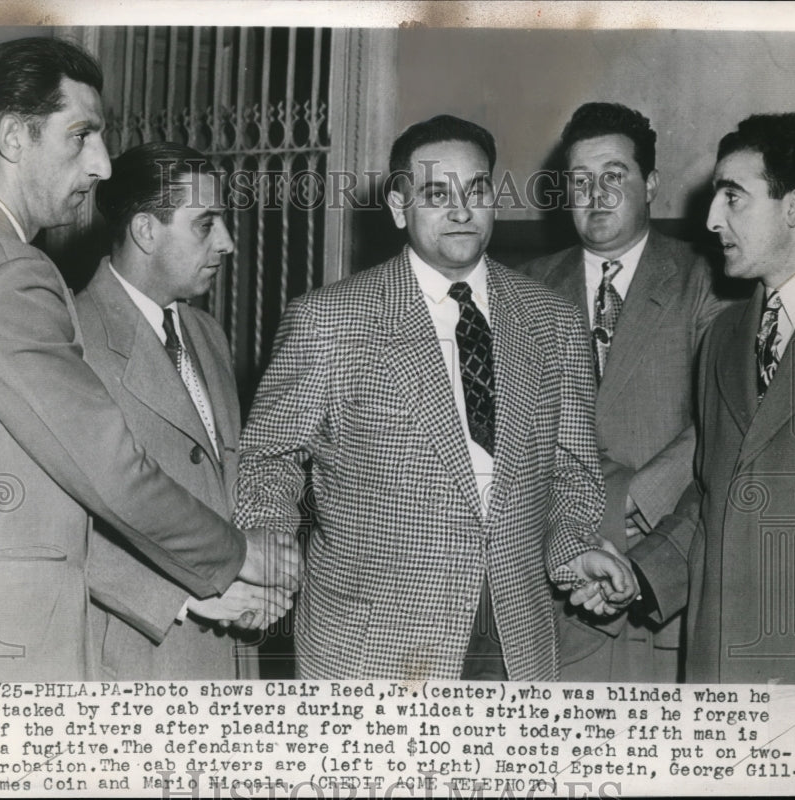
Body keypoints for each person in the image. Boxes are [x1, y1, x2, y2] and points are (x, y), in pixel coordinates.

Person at [0, 37, 298, 751]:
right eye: (82, 136)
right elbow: (110, 468)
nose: (100, 165)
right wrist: (236, 556)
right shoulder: (11, 273)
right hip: (16, 654)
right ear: (11, 136)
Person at [235, 114, 635, 681]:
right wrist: (269, 557)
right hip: (371, 645)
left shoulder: (553, 321)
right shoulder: (331, 320)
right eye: (436, 193)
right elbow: (267, 460)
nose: (461, 210)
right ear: (399, 208)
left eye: (476, 190)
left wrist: (573, 550)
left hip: (516, 638)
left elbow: (572, 474)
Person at [586, 113, 795, 788]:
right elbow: (713, 492)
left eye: (733, 196)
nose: (712, 219)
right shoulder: (726, 337)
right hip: (719, 677)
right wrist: (642, 573)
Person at [523, 102, 731, 682]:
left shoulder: (709, 279)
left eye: (613, 176)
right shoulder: (522, 288)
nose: (595, 195)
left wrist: (637, 498)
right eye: (580, 181)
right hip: (549, 584)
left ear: (652, 185)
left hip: (658, 570)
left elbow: (724, 414)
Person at [79, 142, 294, 679]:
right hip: (135, 659)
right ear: (146, 231)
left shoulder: (206, 333)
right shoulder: (71, 337)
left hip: (227, 658)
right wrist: (185, 596)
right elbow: (59, 525)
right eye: (206, 224)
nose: (227, 243)